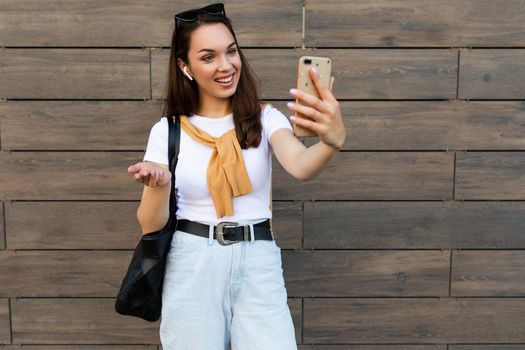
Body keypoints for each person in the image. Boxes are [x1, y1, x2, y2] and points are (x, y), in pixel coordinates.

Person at [126, 3, 346, 349]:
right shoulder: (168, 131)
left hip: (258, 259)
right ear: (185, 67)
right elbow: (150, 224)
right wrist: (159, 185)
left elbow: (302, 165)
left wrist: (332, 142)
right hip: (193, 261)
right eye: (208, 57)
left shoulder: (265, 119)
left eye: (231, 51)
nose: (226, 65)